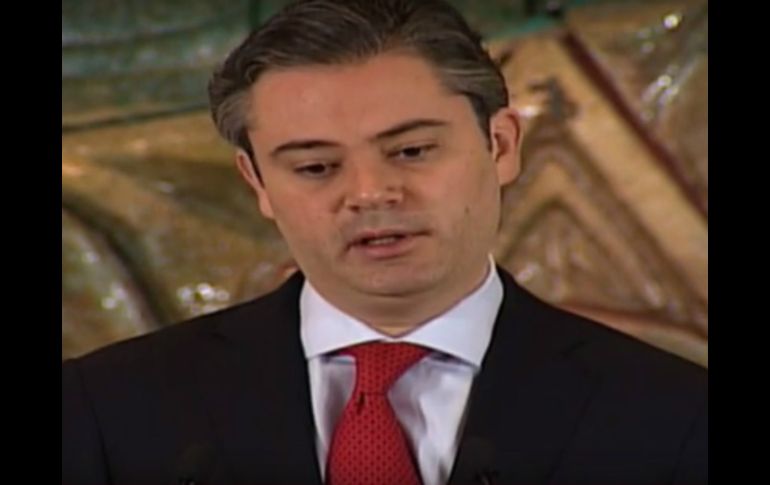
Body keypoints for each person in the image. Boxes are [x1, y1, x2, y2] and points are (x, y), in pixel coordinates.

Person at [62, 1, 707, 484]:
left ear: (501, 145)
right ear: (257, 183)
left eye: (411, 151)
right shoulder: (107, 411)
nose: (371, 193)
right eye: (316, 167)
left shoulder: (672, 415)